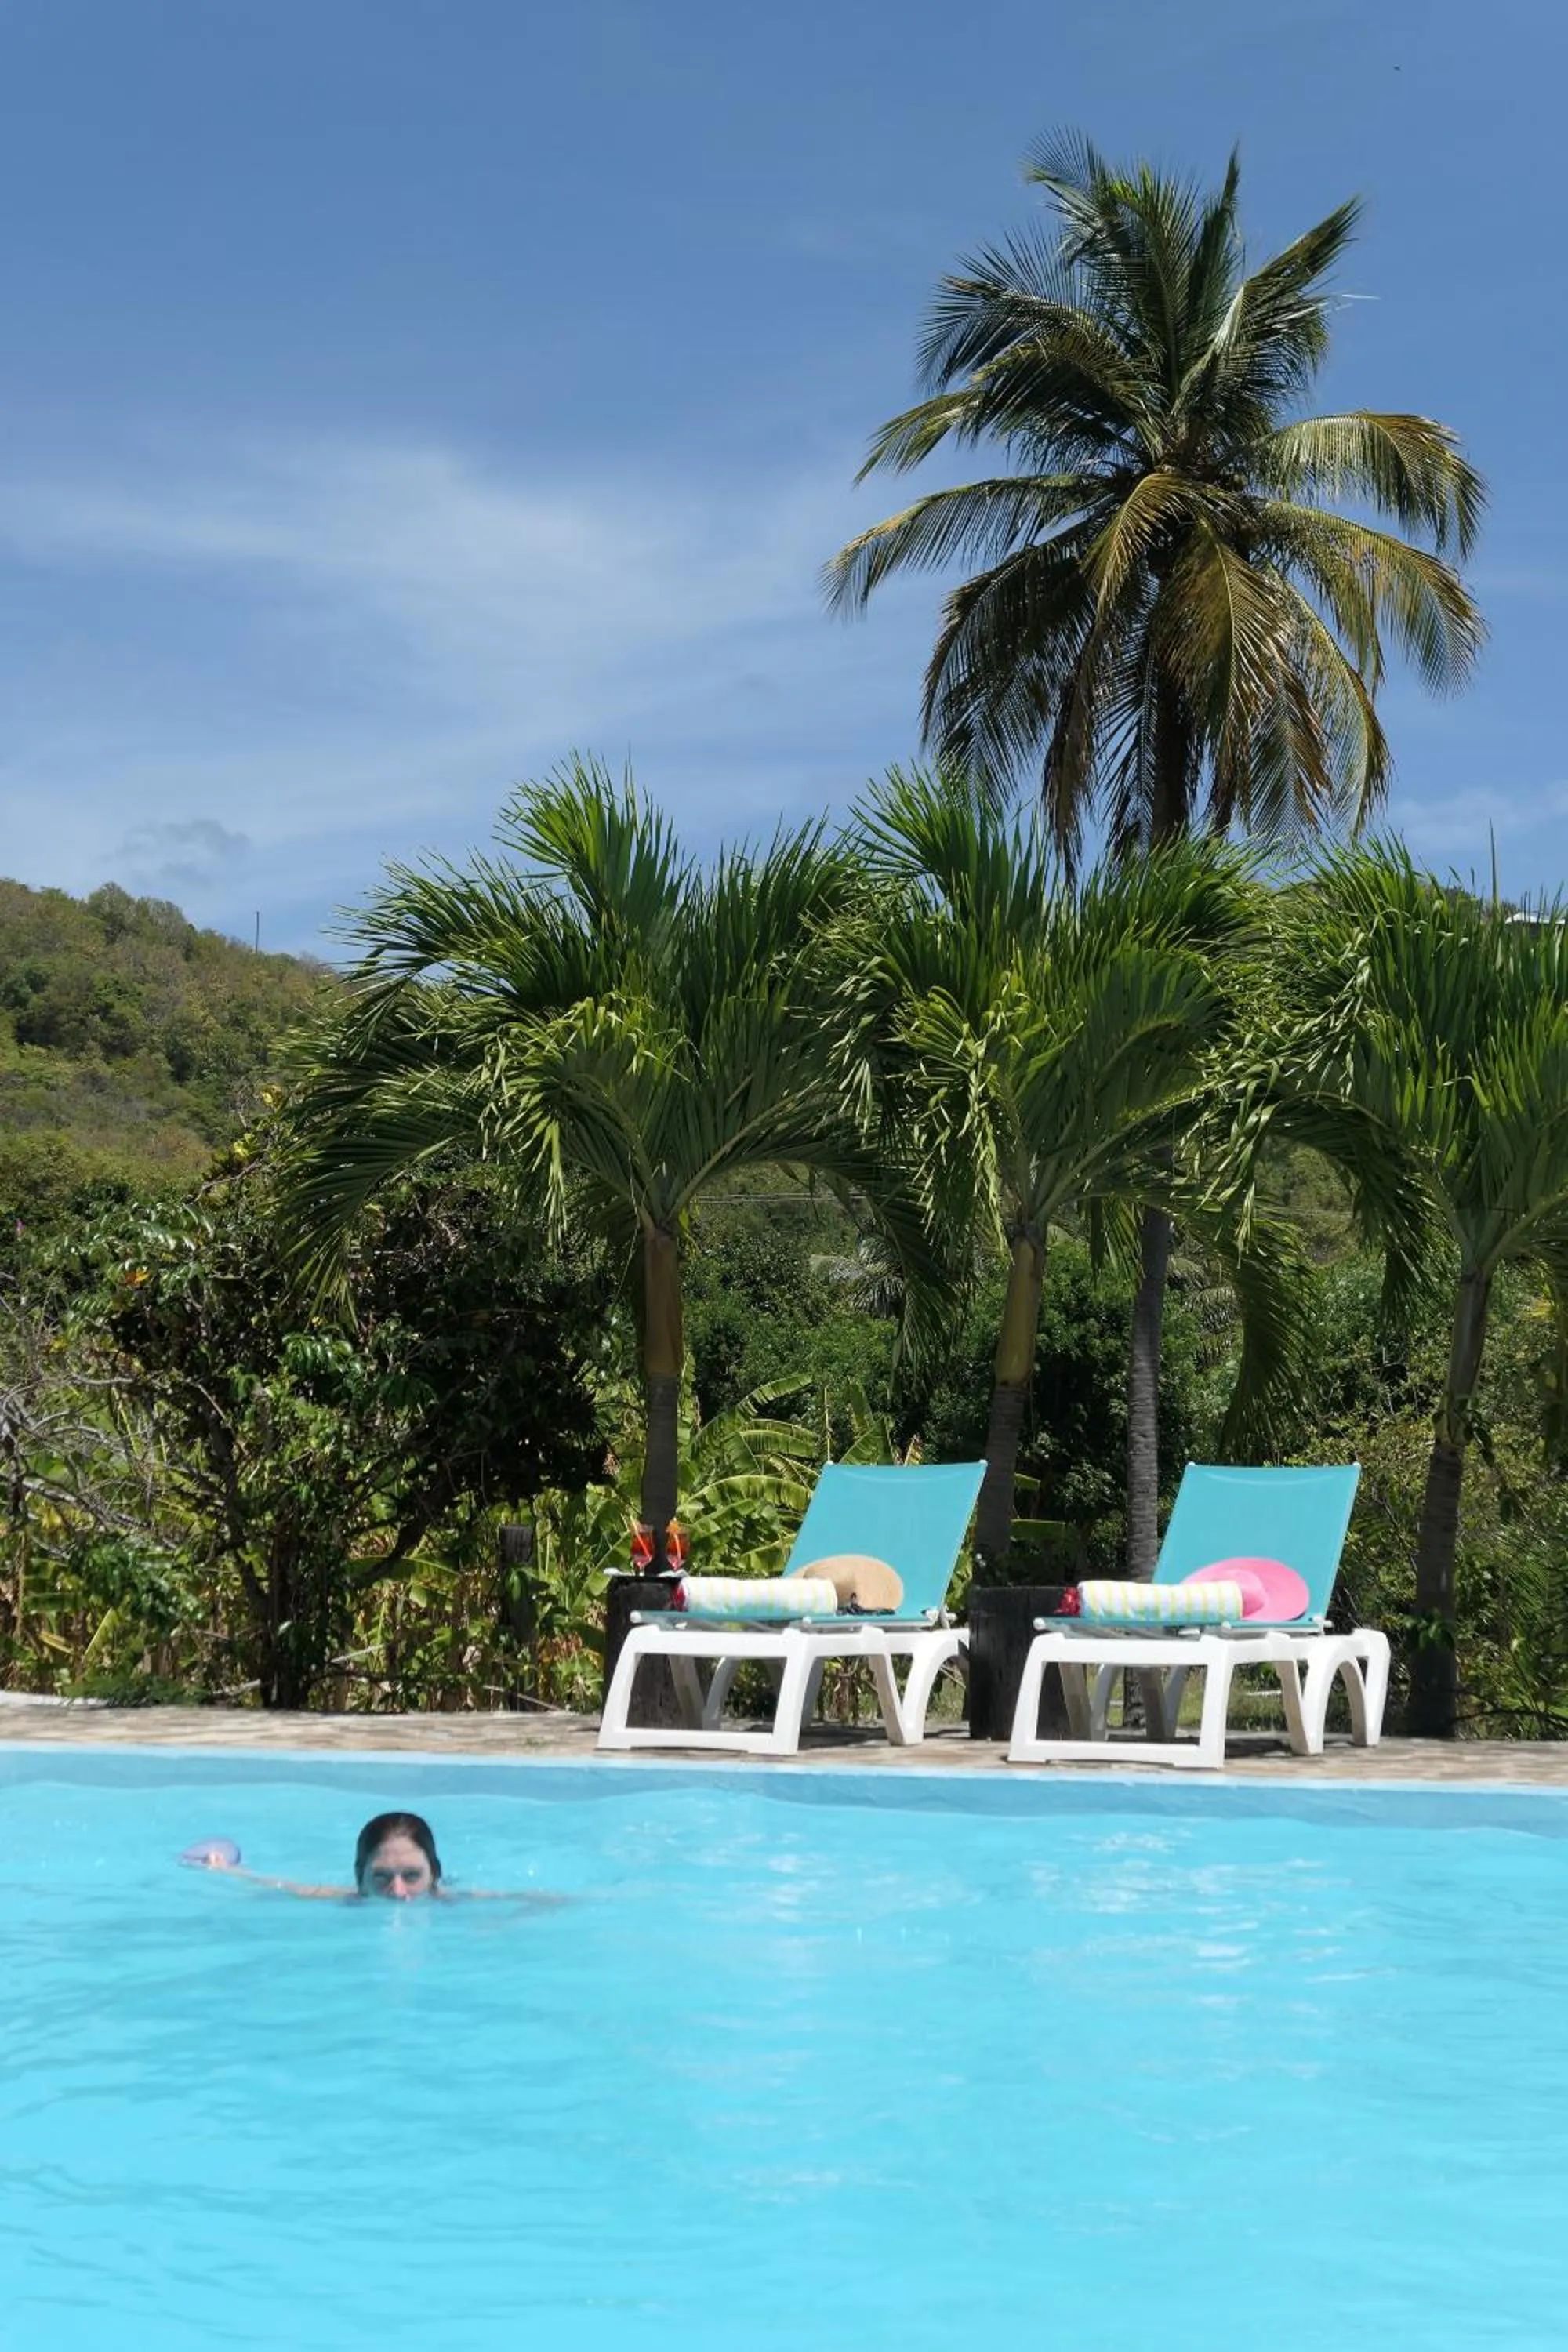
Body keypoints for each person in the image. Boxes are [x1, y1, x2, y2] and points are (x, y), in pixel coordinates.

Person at [182, 1811, 552, 1904]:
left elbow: (536, 1901)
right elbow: (289, 1887)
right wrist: (230, 1872)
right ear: (359, 1878)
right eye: (380, 1877)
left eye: (412, 1875)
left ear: (436, 1875)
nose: (398, 1891)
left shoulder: (452, 1903)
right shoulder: (352, 1901)